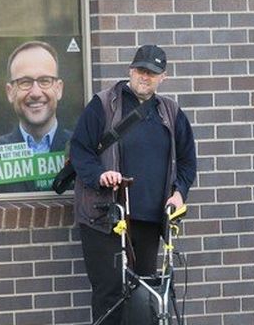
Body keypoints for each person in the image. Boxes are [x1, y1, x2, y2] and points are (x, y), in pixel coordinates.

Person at [69, 45, 197, 323]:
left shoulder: (171, 112)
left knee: (144, 295)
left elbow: (188, 161)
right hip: (105, 217)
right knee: (109, 293)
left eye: (152, 73)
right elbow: (79, 150)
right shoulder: (103, 104)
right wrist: (100, 176)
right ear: (130, 70)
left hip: (149, 221)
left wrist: (179, 193)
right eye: (141, 70)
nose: (145, 77)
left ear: (163, 76)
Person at [0, 41, 72, 193]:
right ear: (10, 92)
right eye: (25, 82)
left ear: (59, 89)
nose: (35, 93)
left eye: (45, 81)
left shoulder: (81, 147)